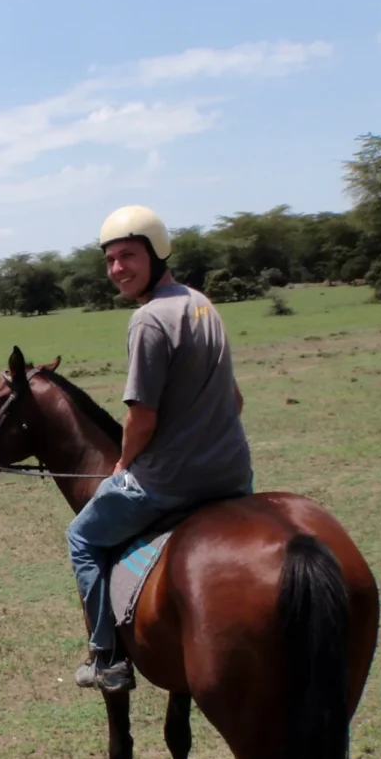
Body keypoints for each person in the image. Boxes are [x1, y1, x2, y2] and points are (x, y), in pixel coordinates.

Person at [68, 206, 253, 693]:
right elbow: (234, 400)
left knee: (83, 538)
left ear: (155, 253)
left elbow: (141, 418)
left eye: (127, 255)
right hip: (234, 476)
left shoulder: (148, 321)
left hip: (171, 483)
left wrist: (124, 465)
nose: (116, 270)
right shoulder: (201, 304)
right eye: (109, 260)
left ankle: (106, 659)